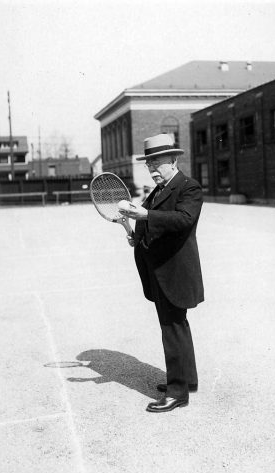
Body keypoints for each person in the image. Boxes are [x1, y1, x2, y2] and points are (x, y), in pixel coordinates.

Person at [119, 133, 204, 413]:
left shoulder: (189, 187)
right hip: (160, 270)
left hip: (174, 272)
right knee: (176, 326)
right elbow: (150, 222)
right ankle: (186, 380)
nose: (153, 170)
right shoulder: (158, 190)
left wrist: (144, 217)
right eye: (149, 165)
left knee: (172, 328)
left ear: (174, 160)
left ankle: (177, 392)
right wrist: (135, 235)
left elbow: (183, 220)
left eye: (157, 164)